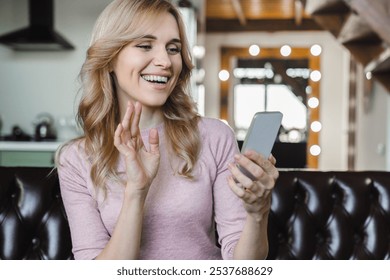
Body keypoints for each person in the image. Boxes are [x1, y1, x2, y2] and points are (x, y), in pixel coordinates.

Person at [56, 0, 279, 260]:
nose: (165, 61)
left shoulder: (215, 137)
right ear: (109, 59)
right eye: (144, 45)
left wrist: (257, 212)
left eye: (173, 49)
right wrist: (137, 191)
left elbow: (243, 267)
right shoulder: (76, 159)